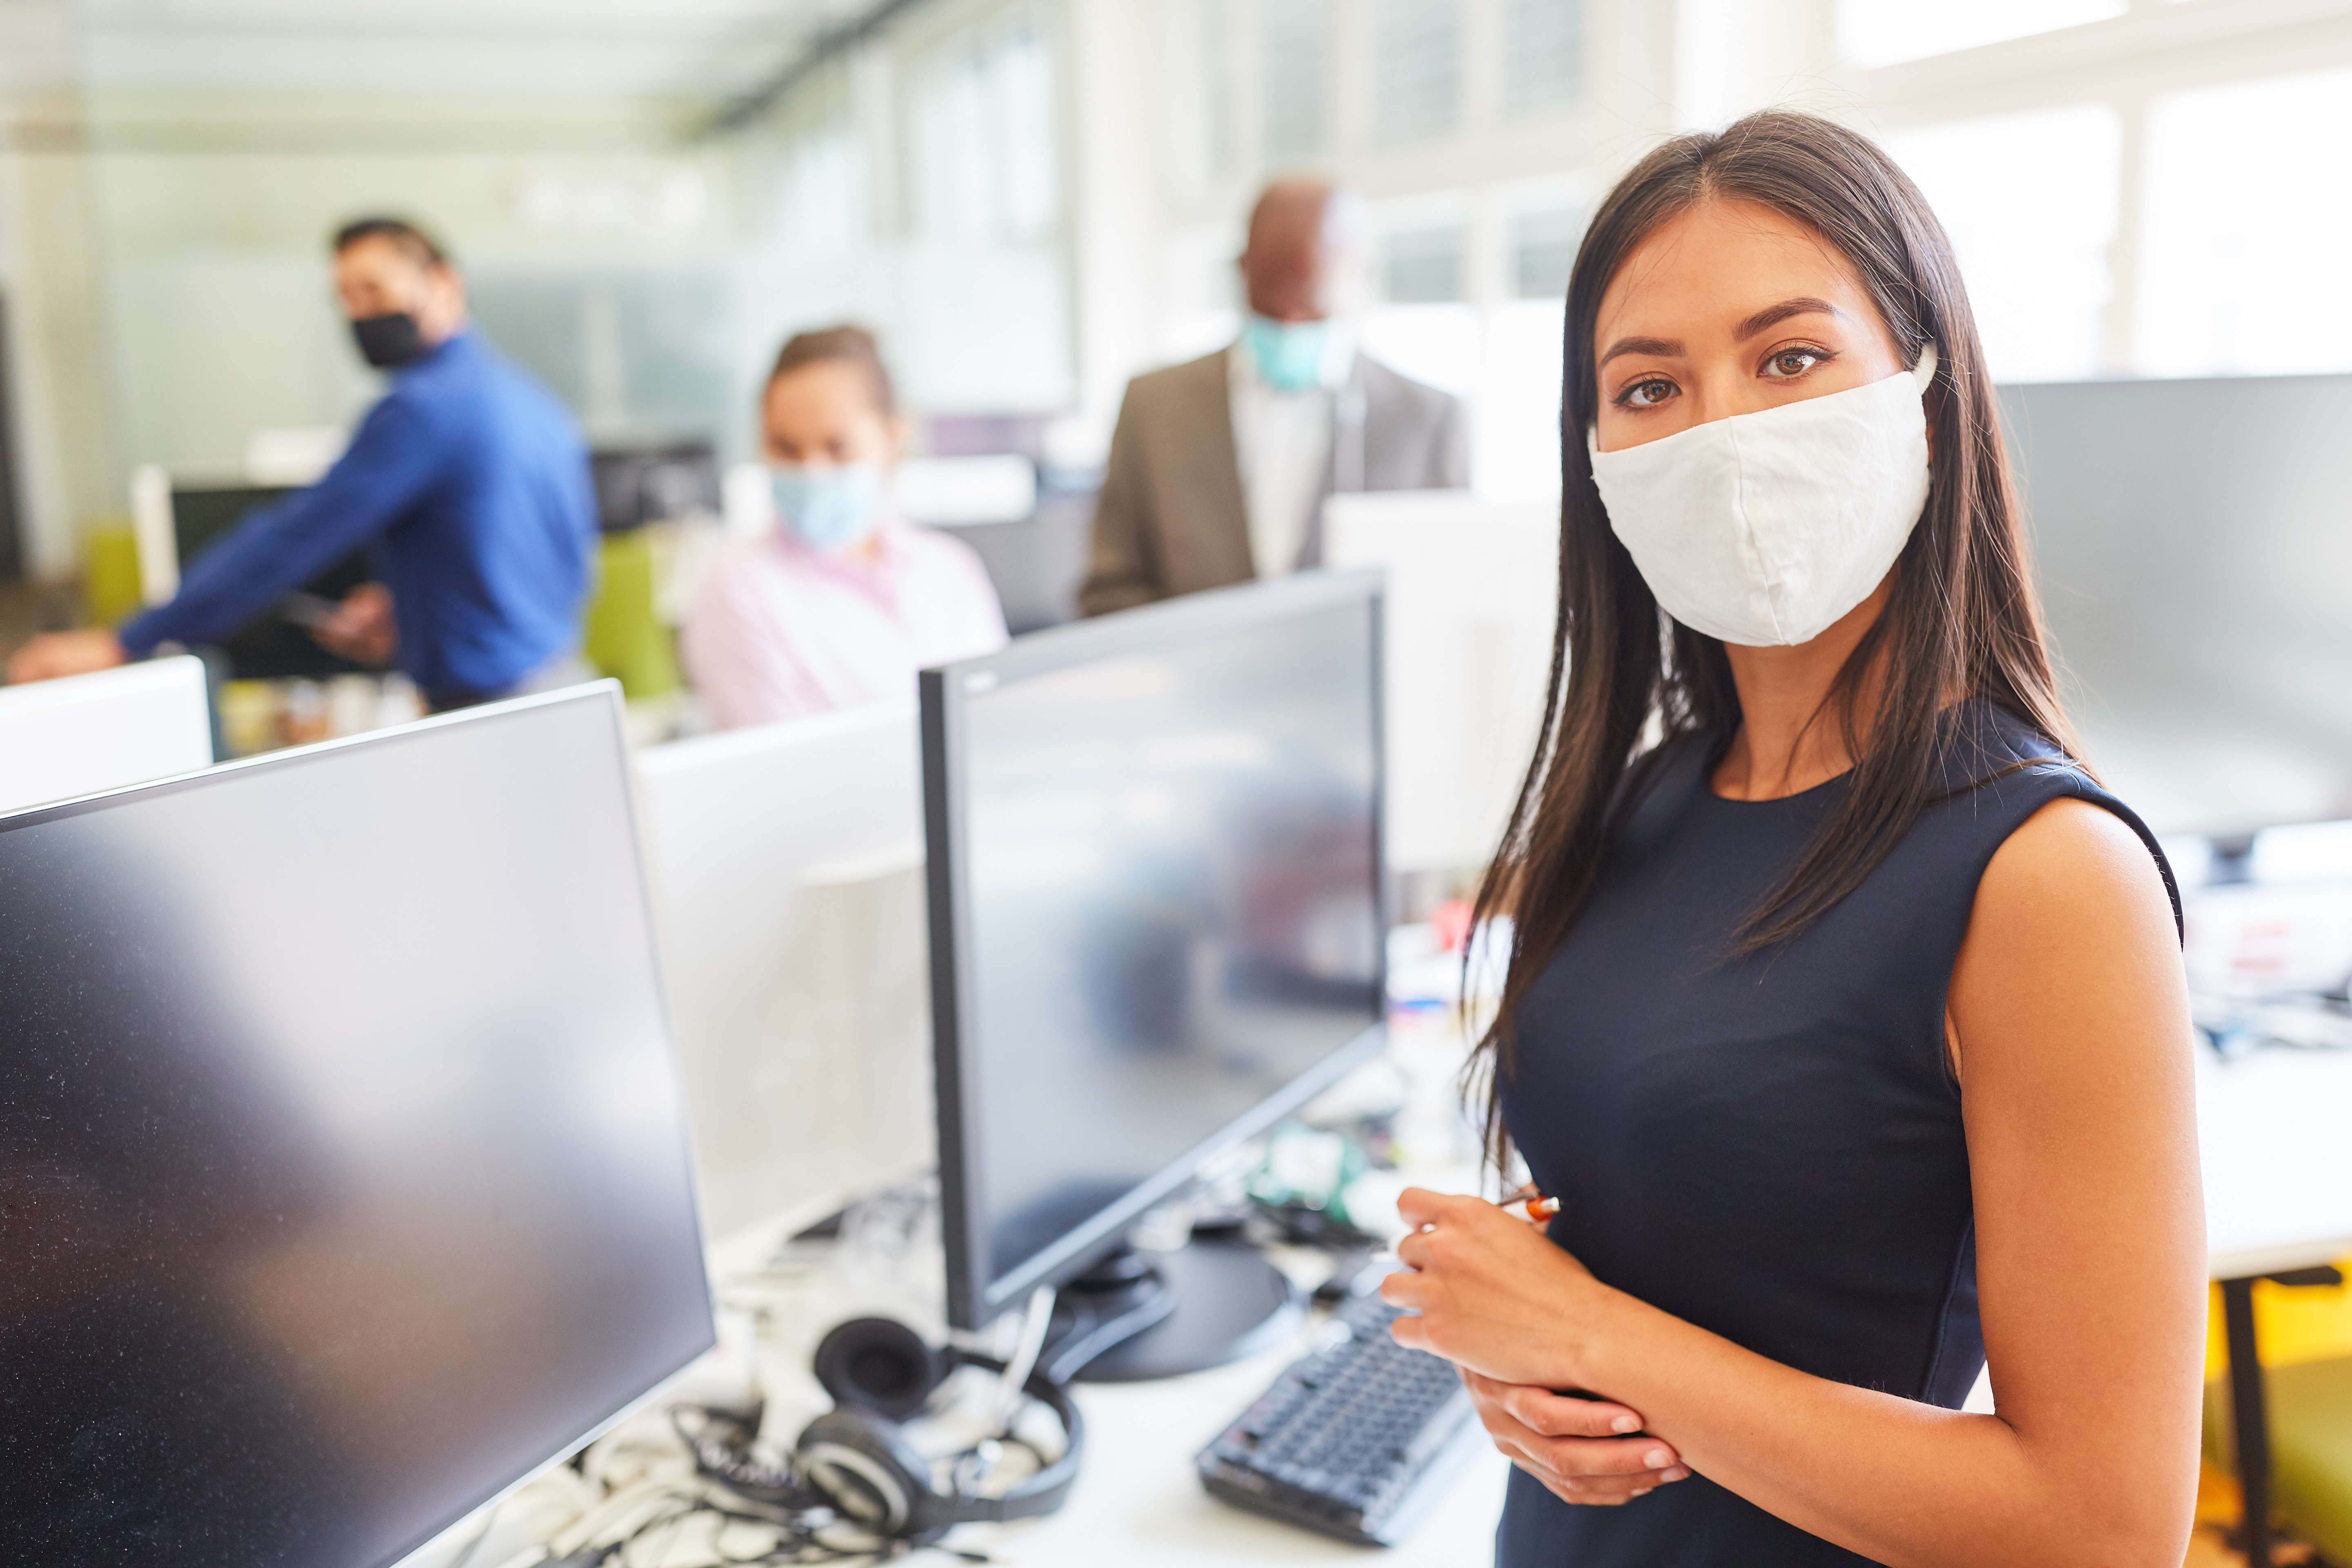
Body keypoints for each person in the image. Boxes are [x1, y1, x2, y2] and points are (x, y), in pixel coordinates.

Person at [1378, 114, 2203, 1566]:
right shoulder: (1639, 799)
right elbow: (1668, 1231)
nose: (1721, 432)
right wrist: (1525, 1373)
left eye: (1789, 359)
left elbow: (2100, 1527)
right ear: (1594, 453)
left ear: (1925, 389)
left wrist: (1591, 1336)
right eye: (1648, 385)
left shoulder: (2041, 874)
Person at [8, 217, 596, 713]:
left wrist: (128, 642)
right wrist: (415, 605)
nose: (358, 312)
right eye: (345, 297)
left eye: (372, 289)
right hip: (560, 684)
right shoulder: (529, 399)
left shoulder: (422, 409)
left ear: (443, 284)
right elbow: (558, 566)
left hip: (489, 708)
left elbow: (292, 539)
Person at [1078, 178, 1467, 615]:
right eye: (1272, 304)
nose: (1290, 322)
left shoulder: (1429, 420)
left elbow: (1452, 597)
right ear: (1242, 271)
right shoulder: (1152, 408)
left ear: (1362, 274)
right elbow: (1107, 591)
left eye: (1311, 307)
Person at [680, 326, 1007, 728]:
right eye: (787, 447)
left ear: (893, 438)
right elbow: (782, 765)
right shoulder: (736, 585)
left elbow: (998, 717)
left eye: (837, 447)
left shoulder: (952, 567)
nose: (811, 471)